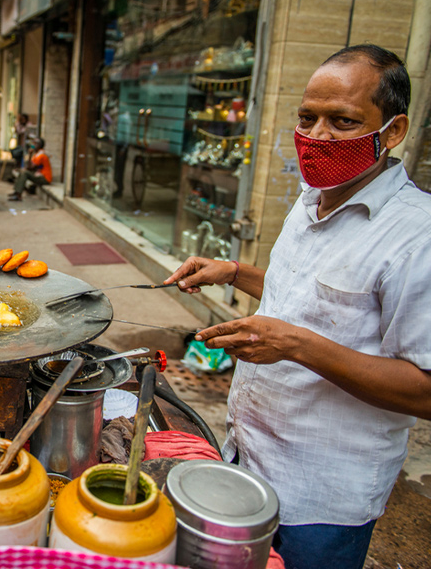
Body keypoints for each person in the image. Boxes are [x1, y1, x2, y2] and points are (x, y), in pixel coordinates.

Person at [164, 45, 431, 569]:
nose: (318, 136)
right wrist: (238, 273)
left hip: (321, 498)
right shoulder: (312, 196)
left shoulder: (416, 235)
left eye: (343, 121)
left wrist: (296, 346)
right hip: (246, 454)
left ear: (393, 132)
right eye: (307, 118)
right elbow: (316, 298)